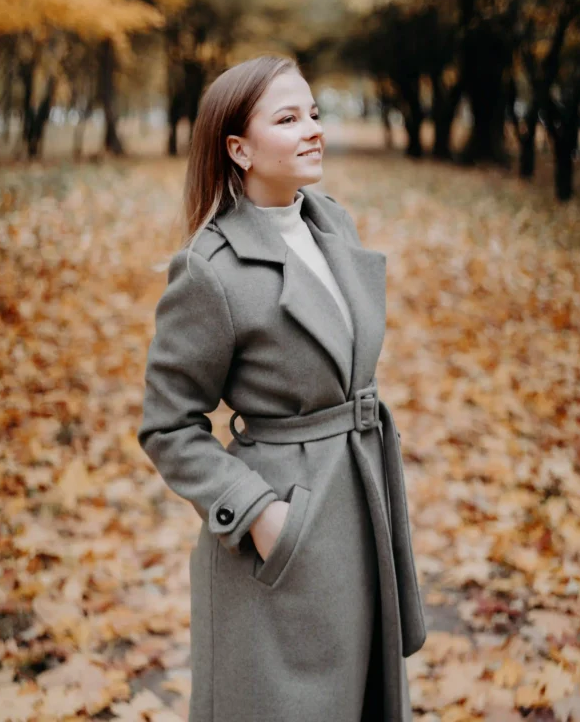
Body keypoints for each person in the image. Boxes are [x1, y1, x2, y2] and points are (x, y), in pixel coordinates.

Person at [137, 55, 426, 722]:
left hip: (359, 499)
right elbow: (167, 424)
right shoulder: (210, 271)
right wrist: (260, 515)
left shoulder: (331, 222)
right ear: (239, 149)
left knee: (357, 698)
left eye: (315, 114)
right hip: (284, 524)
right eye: (288, 118)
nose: (313, 130)